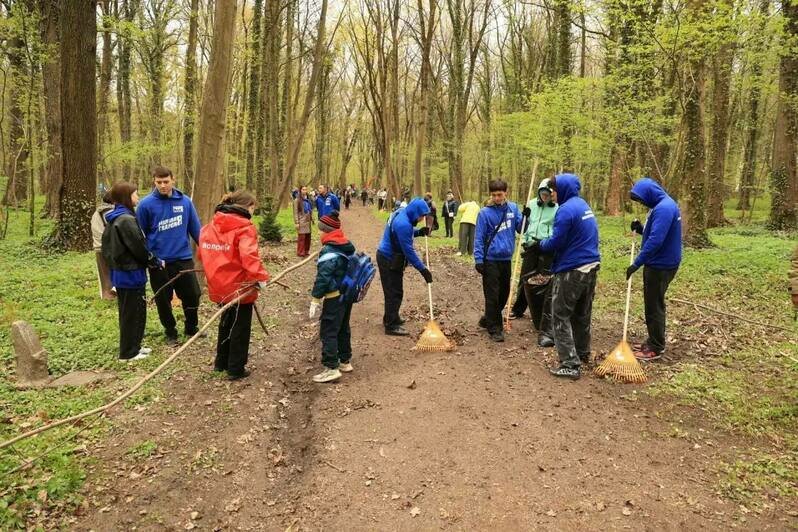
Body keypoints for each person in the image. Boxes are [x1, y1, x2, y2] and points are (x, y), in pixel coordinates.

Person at [529, 173, 600, 380]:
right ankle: (582, 351)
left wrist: (539, 245)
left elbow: (556, 242)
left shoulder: (566, 210)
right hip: (591, 265)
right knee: (582, 312)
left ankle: (570, 363)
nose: (552, 194)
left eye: (555, 190)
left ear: (563, 189)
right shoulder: (583, 205)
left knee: (560, 313)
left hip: (573, 268)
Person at [198, 190, 270, 381]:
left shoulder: (210, 226)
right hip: (239, 287)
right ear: (248, 207)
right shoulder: (245, 228)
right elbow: (249, 257)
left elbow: (201, 253)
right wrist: (260, 277)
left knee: (226, 321)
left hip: (218, 285)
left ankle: (221, 362)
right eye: (253, 207)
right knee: (240, 327)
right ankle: (236, 368)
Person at [136, 166, 203, 345]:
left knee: (193, 294)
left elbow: (196, 230)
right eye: (159, 182)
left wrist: (207, 250)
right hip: (159, 262)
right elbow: (139, 235)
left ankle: (191, 327)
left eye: (166, 182)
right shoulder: (145, 205)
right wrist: (150, 258)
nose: (163, 186)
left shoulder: (185, 202)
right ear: (154, 181)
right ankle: (170, 331)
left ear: (173, 180)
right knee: (163, 299)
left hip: (183, 258)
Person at [102, 181, 162, 362]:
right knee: (131, 313)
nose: (138, 197)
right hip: (129, 275)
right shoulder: (125, 220)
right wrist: (154, 261)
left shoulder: (119, 217)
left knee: (135, 311)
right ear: (126, 197)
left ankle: (135, 346)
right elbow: (138, 247)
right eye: (135, 194)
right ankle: (128, 352)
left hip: (126, 273)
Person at [626, 177, 682, 361]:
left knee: (654, 306)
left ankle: (656, 347)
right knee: (653, 303)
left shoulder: (664, 208)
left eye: (642, 200)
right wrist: (641, 229)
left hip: (661, 265)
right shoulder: (662, 205)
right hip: (660, 262)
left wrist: (636, 263)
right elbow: (656, 233)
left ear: (649, 194)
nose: (642, 203)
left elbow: (656, 241)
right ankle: (653, 340)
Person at [474, 179, 525, 342]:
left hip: (506, 259)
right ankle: (495, 328)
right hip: (490, 259)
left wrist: (526, 217)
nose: (497, 198)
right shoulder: (484, 213)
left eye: (500, 194)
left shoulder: (513, 208)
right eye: (494, 195)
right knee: (492, 295)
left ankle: (489, 317)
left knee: (504, 293)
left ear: (505, 193)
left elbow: (521, 228)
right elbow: (479, 237)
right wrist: (478, 259)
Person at [309, 212, 357, 383]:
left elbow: (323, 277)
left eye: (320, 230)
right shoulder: (345, 244)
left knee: (328, 330)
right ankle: (345, 361)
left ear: (326, 231)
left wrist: (315, 299)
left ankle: (331, 367)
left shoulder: (329, 250)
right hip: (346, 295)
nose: (319, 233)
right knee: (343, 327)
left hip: (334, 296)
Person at [510, 178, 558, 346]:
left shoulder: (557, 208)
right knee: (525, 277)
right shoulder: (531, 203)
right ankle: (518, 309)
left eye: (548, 194)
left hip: (546, 245)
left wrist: (548, 240)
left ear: (551, 195)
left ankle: (540, 314)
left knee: (544, 280)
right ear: (539, 192)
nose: (545, 197)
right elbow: (525, 225)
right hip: (531, 244)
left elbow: (556, 228)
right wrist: (525, 222)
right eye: (542, 194)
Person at [376, 198, 433, 336]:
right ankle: (391, 325)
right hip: (388, 258)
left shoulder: (402, 212)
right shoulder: (403, 224)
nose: (422, 219)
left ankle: (392, 316)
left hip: (391, 257)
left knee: (395, 290)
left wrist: (419, 232)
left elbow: (404, 232)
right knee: (393, 292)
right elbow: (409, 251)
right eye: (421, 216)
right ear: (415, 212)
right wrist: (423, 270)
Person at [91, 192, 116, 300]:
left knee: (104, 274)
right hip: (108, 247)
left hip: (99, 247)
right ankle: (110, 295)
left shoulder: (98, 212)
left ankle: (108, 295)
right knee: (112, 271)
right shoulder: (109, 213)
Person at [294, 185, 313, 257]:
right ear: (300, 190)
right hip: (301, 221)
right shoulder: (297, 200)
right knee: (302, 237)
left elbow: (310, 210)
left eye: (305, 189)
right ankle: (300, 252)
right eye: (303, 189)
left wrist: (312, 219)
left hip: (308, 221)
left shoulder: (308, 199)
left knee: (308, 237)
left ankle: (306, 251)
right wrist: (297, 222)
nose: (304, 191)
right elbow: (295, 212)